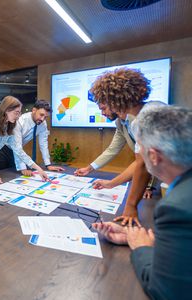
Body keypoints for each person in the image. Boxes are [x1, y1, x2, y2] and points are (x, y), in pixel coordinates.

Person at [93, 106, 192, 300]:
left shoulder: (177, 208)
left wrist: (141, 247)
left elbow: (166, 291)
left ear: (153, 157)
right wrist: (137, 236)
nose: (139, 158)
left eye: (140, 149)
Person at [79, 67, 162, 226]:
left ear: (115, 100)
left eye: (104, 105)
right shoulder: (139, 116)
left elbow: (143, 164)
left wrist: (130, 207)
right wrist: (110, 184)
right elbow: (139, 161)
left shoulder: (147, 115)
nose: (102, 111)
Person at [74, 101, 156, 199]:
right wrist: (89, 168)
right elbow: (112, 150)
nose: (102, 113)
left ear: (115, 104)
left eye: (104, 108)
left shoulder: (143, 118)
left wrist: (146, 186)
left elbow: (146, 159)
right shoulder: (120, 122)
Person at [12, 99, 64, 176]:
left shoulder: (42, 124)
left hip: (18, 151)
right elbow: (16, 146)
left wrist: (48, 164)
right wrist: (23, 168)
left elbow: (43, 144)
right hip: (4, 149)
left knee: (12, 174)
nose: (42, 119)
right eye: (41, 115)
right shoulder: (21, 121)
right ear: (34, 110)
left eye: (45, 117)